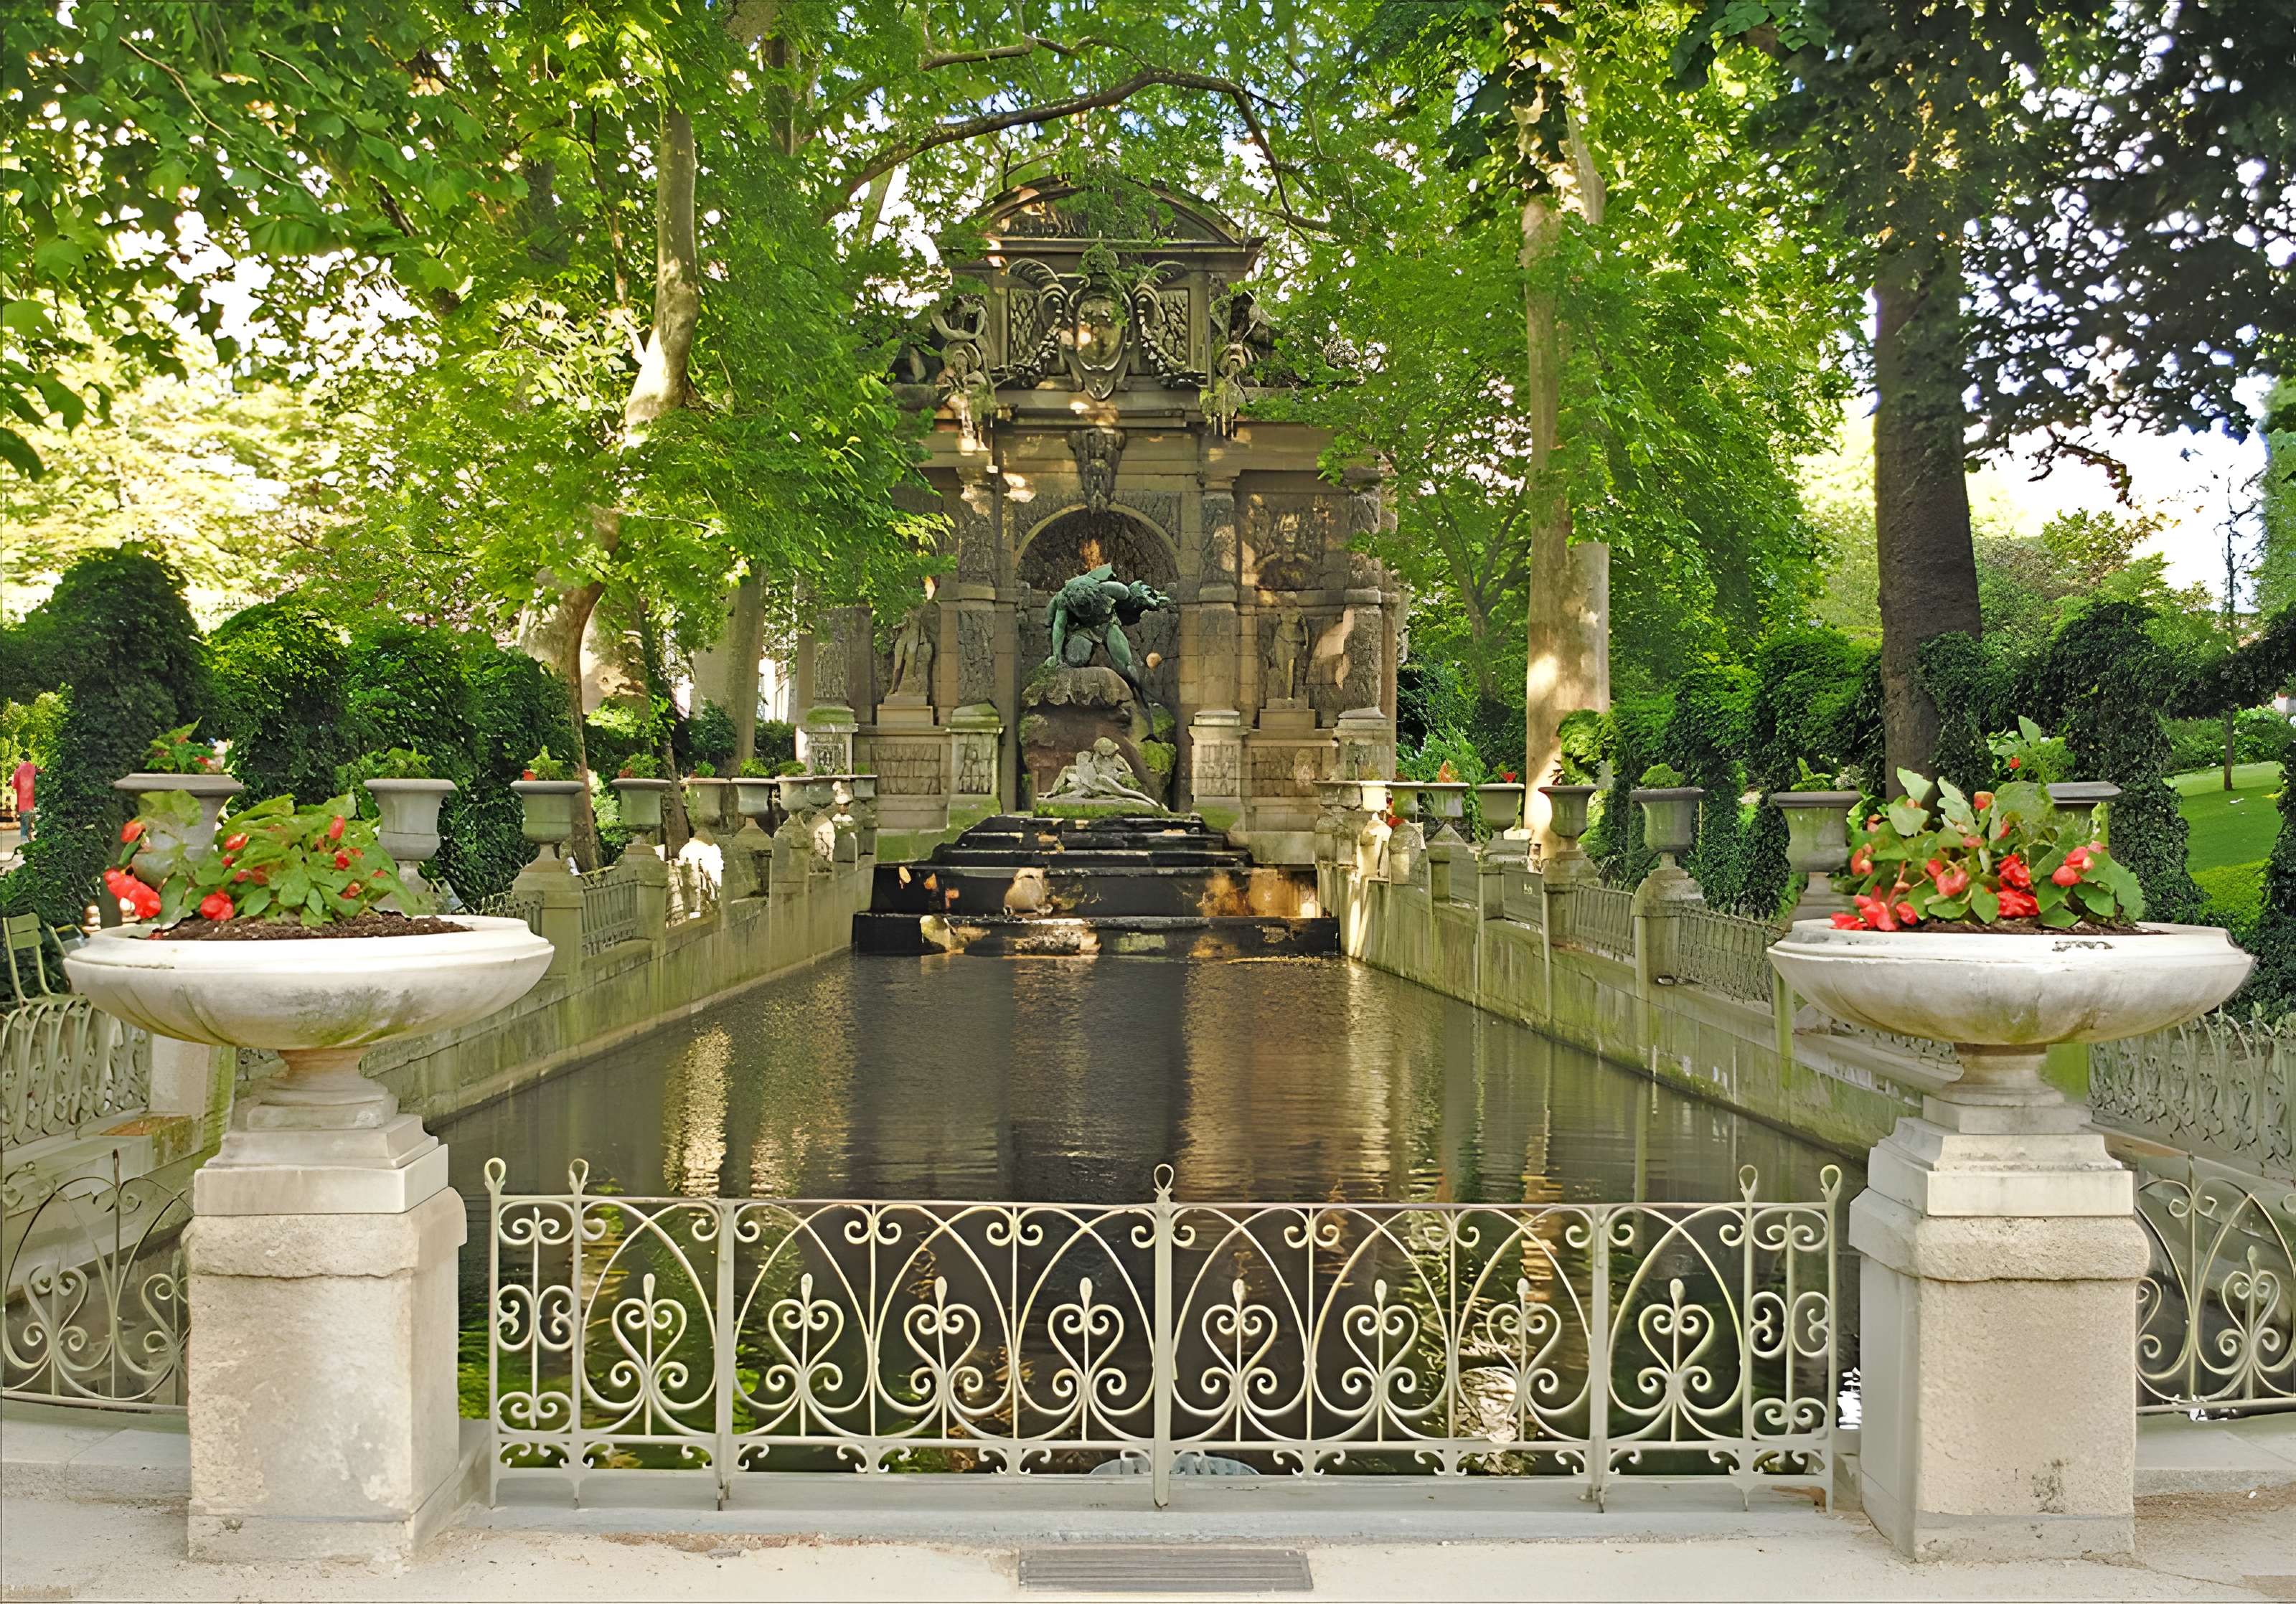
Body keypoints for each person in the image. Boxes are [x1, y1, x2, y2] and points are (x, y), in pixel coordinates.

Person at [10, 757, 34, 841]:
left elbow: (14, 785)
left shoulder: (18, 771)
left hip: (22, 799)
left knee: (24, 820)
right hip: (31, 798)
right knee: (29, 819)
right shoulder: (32, 770)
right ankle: (28, 837)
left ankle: (24, 839)